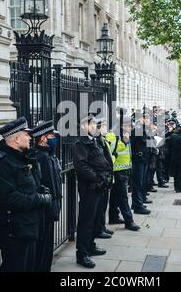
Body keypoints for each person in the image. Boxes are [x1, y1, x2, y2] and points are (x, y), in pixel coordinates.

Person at [0, 117, 52, 272]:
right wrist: (40, 199)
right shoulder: (2, 163)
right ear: (16, 139)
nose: (30, 137)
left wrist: (42, 190)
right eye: (26, 134)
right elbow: (9, 198)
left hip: (30, 226)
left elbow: (34, 184)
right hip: (16, 231)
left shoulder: (24, 157)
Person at [73, 115, 113, 269]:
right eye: (93, 124)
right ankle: (82, 254)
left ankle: (90, 246)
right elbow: (82, 167)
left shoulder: (95, 140)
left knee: (95, 219)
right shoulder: (80, 143)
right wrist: (98, 178)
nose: (96, 126)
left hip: (99, 186)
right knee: (86, 222)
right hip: (89, 187)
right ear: (85, 125)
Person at [30, 120, 62, 272]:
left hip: (51, 206)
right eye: (51, 135)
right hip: (45, 209)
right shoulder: (40, 157)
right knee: (42, 249)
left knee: (47, 247)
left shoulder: (49, 155)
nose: (54, 138)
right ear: (43, 138)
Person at [106, 116, 141, 231]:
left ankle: (113, 216)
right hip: (117, 171)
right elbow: (111, 152)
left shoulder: (124, 135)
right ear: (121, 126)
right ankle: (129, 221)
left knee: (115, 196)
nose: (131, 128)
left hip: (124, 170)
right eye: (129, 125)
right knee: (123, 197)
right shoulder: (113, 135)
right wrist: (123, 142)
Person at [93, 117, 115, 240]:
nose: (107, 128)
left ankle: (101, 226)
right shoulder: (97, 141)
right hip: (101, 179)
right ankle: (99, 229)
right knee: (100, 206)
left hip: (106, 178)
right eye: (104, 126)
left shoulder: (103, 140)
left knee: (103, 205)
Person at [130, 112, 152, 215]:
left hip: (144, 159)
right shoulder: (138, 129)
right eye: (146, 118)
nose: (148, 120)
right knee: (137, 183)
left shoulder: (144, 129)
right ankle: (137, 205)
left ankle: (138, 202)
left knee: (141, 182)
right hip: (138, 160)